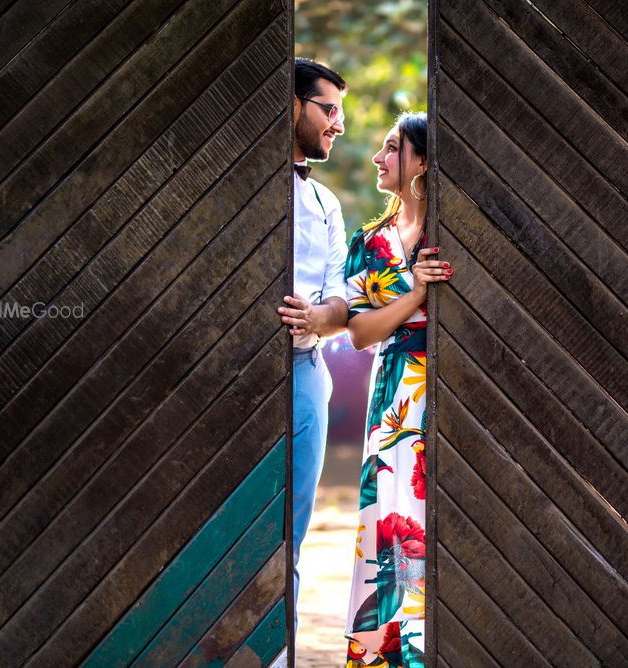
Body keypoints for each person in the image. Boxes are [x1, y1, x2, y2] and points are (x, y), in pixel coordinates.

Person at [343, 112, 449, 668]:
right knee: (389, 522)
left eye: (392, 148)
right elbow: (360, 332)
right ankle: (390, 659)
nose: (379, 158)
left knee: (436, 521)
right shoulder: (369, 241)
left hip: (449, 393)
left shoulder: (453, 229)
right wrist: (415, 297)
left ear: (423, 161)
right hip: (391, 402)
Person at [279, 58, 350, 622]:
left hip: (304, 376)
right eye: (329, 109)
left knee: (290, 534)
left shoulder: (327, 205)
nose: (339, 124)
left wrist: (317, 320)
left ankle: (280, 656)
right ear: (293, 104)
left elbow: (341, 300)